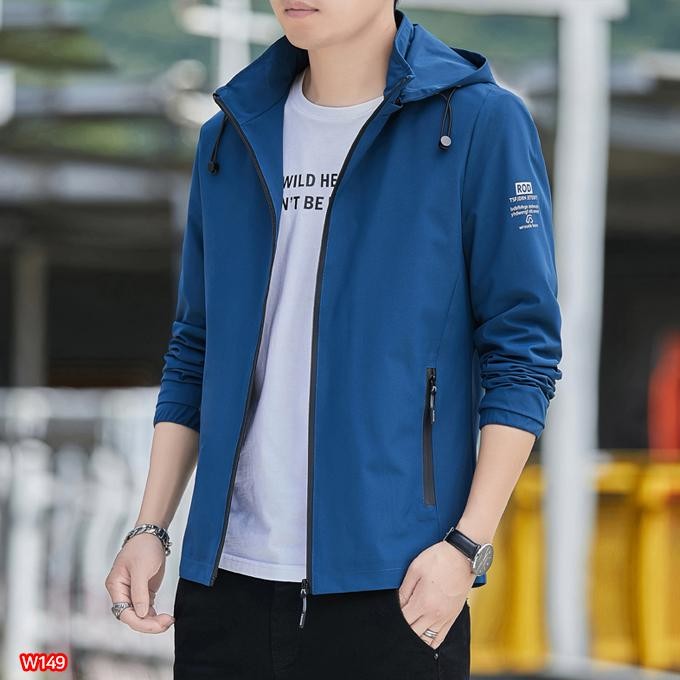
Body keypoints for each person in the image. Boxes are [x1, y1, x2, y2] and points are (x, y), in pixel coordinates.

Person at [105, 0, 563, 678]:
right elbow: (195, 349)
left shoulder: (477, 123)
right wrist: (152, 527)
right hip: (224, 586)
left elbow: (522, 352)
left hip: (397, 582)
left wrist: (466, 547)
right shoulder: (230, 137)